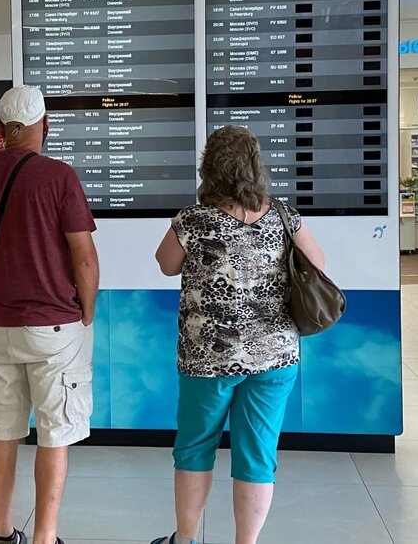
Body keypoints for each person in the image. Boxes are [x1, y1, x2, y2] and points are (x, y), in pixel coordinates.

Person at [150, 125, 327, 544]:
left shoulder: (193, 220)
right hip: (274, 359)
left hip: (206, 359)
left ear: (208, 168)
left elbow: (165, 263)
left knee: (194, 449)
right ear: (254, 167)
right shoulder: (284, 215)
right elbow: (318, 262)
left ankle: (187, 539)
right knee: (257, 456)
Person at [0, 85, 100, 544]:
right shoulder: (59, 177)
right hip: (55, 327)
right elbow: (84, 257)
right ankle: (45, 537)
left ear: (2, 129)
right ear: (44, 124)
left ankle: (1, 532)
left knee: (3, 432)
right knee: (55, 434)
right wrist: (86, 312)